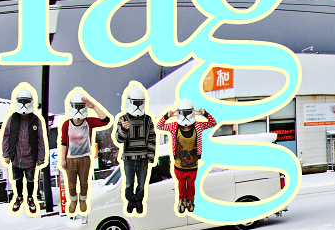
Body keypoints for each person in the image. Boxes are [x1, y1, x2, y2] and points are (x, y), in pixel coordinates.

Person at [156, 99, 216, 214]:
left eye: (187, 112)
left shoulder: (198, 125)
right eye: (183, 112)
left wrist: (205, 114)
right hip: (179, 165)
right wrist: (167, 116)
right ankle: (182, 201)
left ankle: (190, 201)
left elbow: (213, 123)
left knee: (191, 186)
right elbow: (159, 126)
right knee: (182, 186)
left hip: (193, 165)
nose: (185, 115)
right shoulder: (174, 126)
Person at [58, 90, 111, 215]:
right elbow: (63, 142)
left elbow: (105, 120)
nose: (78, 109)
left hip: (84, 158)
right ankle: (73, 201)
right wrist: (63, 159)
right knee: (71, 184)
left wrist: (94, 106)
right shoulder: (66, 124)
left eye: (80, 106)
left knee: (84, 182)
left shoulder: (89, 122)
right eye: (76, 106)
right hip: (71, 158)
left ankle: (82, 200)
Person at [0, 85, 48, 215]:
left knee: (31, 180)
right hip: (16, 156)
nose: (24, 104)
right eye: (21, 101)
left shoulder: (36, 120)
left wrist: (41, 157)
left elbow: (40, 140)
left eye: (26, 101)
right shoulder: (12, 119)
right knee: (18, 179)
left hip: (31, 157)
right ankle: (19, 197)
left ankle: (30, 198)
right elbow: (6, 136)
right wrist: (6, 154)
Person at [115, 83, 157, 215]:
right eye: (135, 102)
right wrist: (124, 129)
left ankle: (139, 201)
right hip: (128, 158)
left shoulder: (148, 119)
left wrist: (151, 155)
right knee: (129, 184)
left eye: (140, 102)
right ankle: (130, 200)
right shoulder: (123, 119)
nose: (138, 105)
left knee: (141, 184)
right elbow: (119, 139)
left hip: (143, 158)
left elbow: (152, 137)